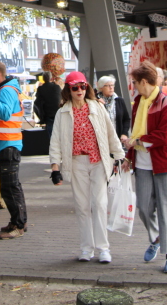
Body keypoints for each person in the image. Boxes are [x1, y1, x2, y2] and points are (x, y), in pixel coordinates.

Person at [50, 72, 124, 263]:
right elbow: (56, 141)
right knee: (82, 206)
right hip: (76, 163)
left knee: (99, 204)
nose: (80, 90)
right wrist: (55, 168)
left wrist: (119, 155)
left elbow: (109, 132)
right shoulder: (62, 113)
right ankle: (86, 248)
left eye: (82, 86)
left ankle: (103, 248)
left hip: (98, 161)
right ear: (68, 90)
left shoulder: (97, 108)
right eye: (75, 87)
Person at [125, 61, 167, 274]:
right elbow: (133, 134)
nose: (134, 87)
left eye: (134, 82)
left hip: (166, 161)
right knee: (143, 206)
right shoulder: (137, 103)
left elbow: (165, 136)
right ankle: (156, 238)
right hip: (143, 163)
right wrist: (129, 156)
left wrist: (137, 142)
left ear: (143, 81)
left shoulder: (165, 102)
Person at [0, 61, 28, 239]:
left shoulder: (6, 91)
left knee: (10, 188)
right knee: (10, 188)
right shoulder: (6, 90)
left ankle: (18, 225)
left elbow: (4, 113)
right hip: (6, 145)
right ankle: (18, 222)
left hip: (7, 146)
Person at [96, 75, 131, 142]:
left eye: (112, 85)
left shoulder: (119, 100)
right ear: (101, 87)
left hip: (117, 138)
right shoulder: (96, 101)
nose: (111, 87)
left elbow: (126, 119)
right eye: (108, 85)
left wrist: (124, 134)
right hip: (101, 139)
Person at [34, 71, 61, 139]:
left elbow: (37, 102)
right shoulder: (57, 87)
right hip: (58, 113)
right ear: (51, 78)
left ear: (43, 78)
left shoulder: (41, 88)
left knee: (51, 136)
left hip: (47, 114)